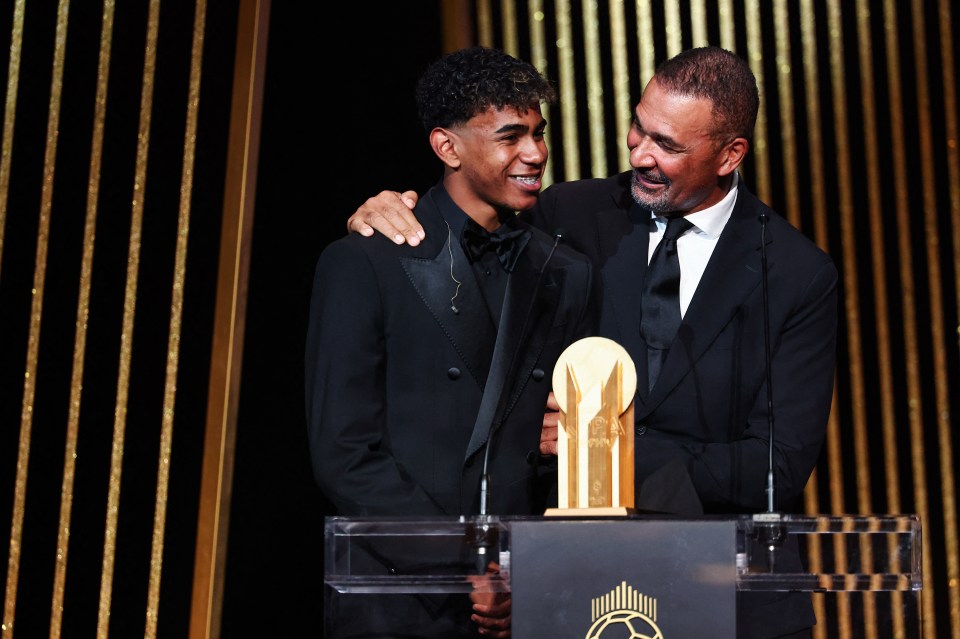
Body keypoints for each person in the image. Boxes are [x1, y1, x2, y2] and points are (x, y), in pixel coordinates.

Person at [346, 46, 839, 639]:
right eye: (638, 128)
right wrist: (389, 212)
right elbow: (461, 231)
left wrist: (604, 449)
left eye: (668, 146)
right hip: (575, 588)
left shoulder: (795, 273)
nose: (640, 154)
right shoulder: (563, 214)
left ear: (730, 154)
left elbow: (776, 466)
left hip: (723, 589)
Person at [307, 46, 596, 638]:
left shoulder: (565, 270)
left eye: (539, 134)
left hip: (526, 601)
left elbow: (554, 450)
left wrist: (532, 572)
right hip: (401, 597)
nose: (536, 154)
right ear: (448, 146)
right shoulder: (365, 262)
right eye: (511, 136)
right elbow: (345, 453)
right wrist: (466, 564)